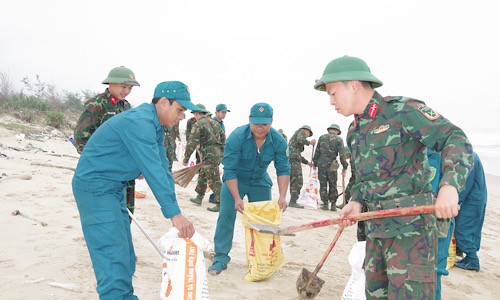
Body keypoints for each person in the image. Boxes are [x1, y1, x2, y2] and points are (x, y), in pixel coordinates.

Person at [314, 55, 473, 299]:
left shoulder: (402, 111)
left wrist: (449, 187)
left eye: (333, 93)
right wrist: (356, 201)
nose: (331, 101)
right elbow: (363, 177)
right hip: (376, 231)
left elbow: (455, 138)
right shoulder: (355, 131)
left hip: (411, 231)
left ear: (353, 85)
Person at [72, 81, 199, 299]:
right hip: (96, 188)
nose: (182, 117)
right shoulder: (140, 122)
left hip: (114, 188)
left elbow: (162, 169)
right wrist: (174, 215)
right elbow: (152, 171)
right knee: (112, 256)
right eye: (179, 110)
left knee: (125, 254)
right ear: (163, 103)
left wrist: (176, 211)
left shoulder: (155, 125)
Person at [208, 102, 290, 275]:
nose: (260, 127)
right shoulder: (236, 137)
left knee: (262, 222)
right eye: (256, 123)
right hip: (236, 179)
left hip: (260, 180)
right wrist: (237, 198)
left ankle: (262, 259)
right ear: (249, 120)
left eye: (264, 124)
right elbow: (229, 170)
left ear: (271, 122)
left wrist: (282, 196)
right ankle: (221, 258)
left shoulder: (278, 141)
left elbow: (283, 169)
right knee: (226, 217)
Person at [73, 66, 140, 217]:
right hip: (104, 170)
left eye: (130, 88)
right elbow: (81, 135)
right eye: (124, 86)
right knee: (106, 211)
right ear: (111, 84)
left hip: (123, 168)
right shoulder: (98, 104)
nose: (127, 91)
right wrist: (95, 161)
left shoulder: (126, 106)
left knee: (126, 211)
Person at [183, 104, 226, 212]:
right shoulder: (216, 123)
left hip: (208, 153)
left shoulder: (199, 124)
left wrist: (186, 158)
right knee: (203, 173)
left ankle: (221, 203)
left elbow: (192, 142)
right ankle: (199, 196)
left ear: (197, 114)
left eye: (194, 114)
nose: (194, 117)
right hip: (216, 153)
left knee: (213, 178)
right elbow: (223, 139)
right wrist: (222, 153)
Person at [454, 152, 487, 271]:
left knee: (463, 229)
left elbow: (463, 184)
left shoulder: (466, 156)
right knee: (471, 228)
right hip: (475, 197)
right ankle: (466, 254)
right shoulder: (469, 153)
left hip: (471, 200)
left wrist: (456, 200)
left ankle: (472, 260)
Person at [312, 123, 348, 211]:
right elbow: (342, 154)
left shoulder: (322, 137)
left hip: (321, 163)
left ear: (329, 130)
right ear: (337, 131)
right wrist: (345, 166)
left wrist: (315, 163)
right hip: (332, 164)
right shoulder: (339, 139)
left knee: (323, 184)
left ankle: (325, 204)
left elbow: (317, 152)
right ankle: (333, 204)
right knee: (333, 184)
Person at [288, 125, 316, 208]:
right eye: (308, 134)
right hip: (293, 160)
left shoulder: (296, 142)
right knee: (297, 181)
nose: (307, 136)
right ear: (306, 131)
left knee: (295, 180)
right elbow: (300, 139)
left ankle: (293, 200)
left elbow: (298, 155)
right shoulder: (301, 131)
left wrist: (308, 163)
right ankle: (293, 201)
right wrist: (309, 143)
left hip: (294, 159)